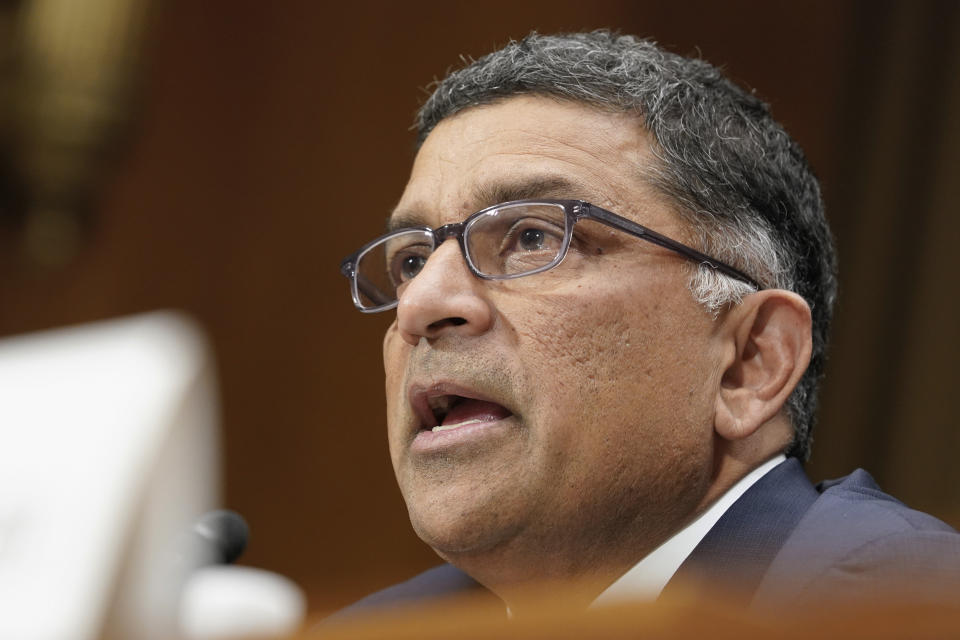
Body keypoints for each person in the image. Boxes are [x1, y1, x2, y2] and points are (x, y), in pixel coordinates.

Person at [337, 31, 960, 616]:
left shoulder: (895, 600)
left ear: (749, 363)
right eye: (412, 261)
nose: (421, 303)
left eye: (533, 237)